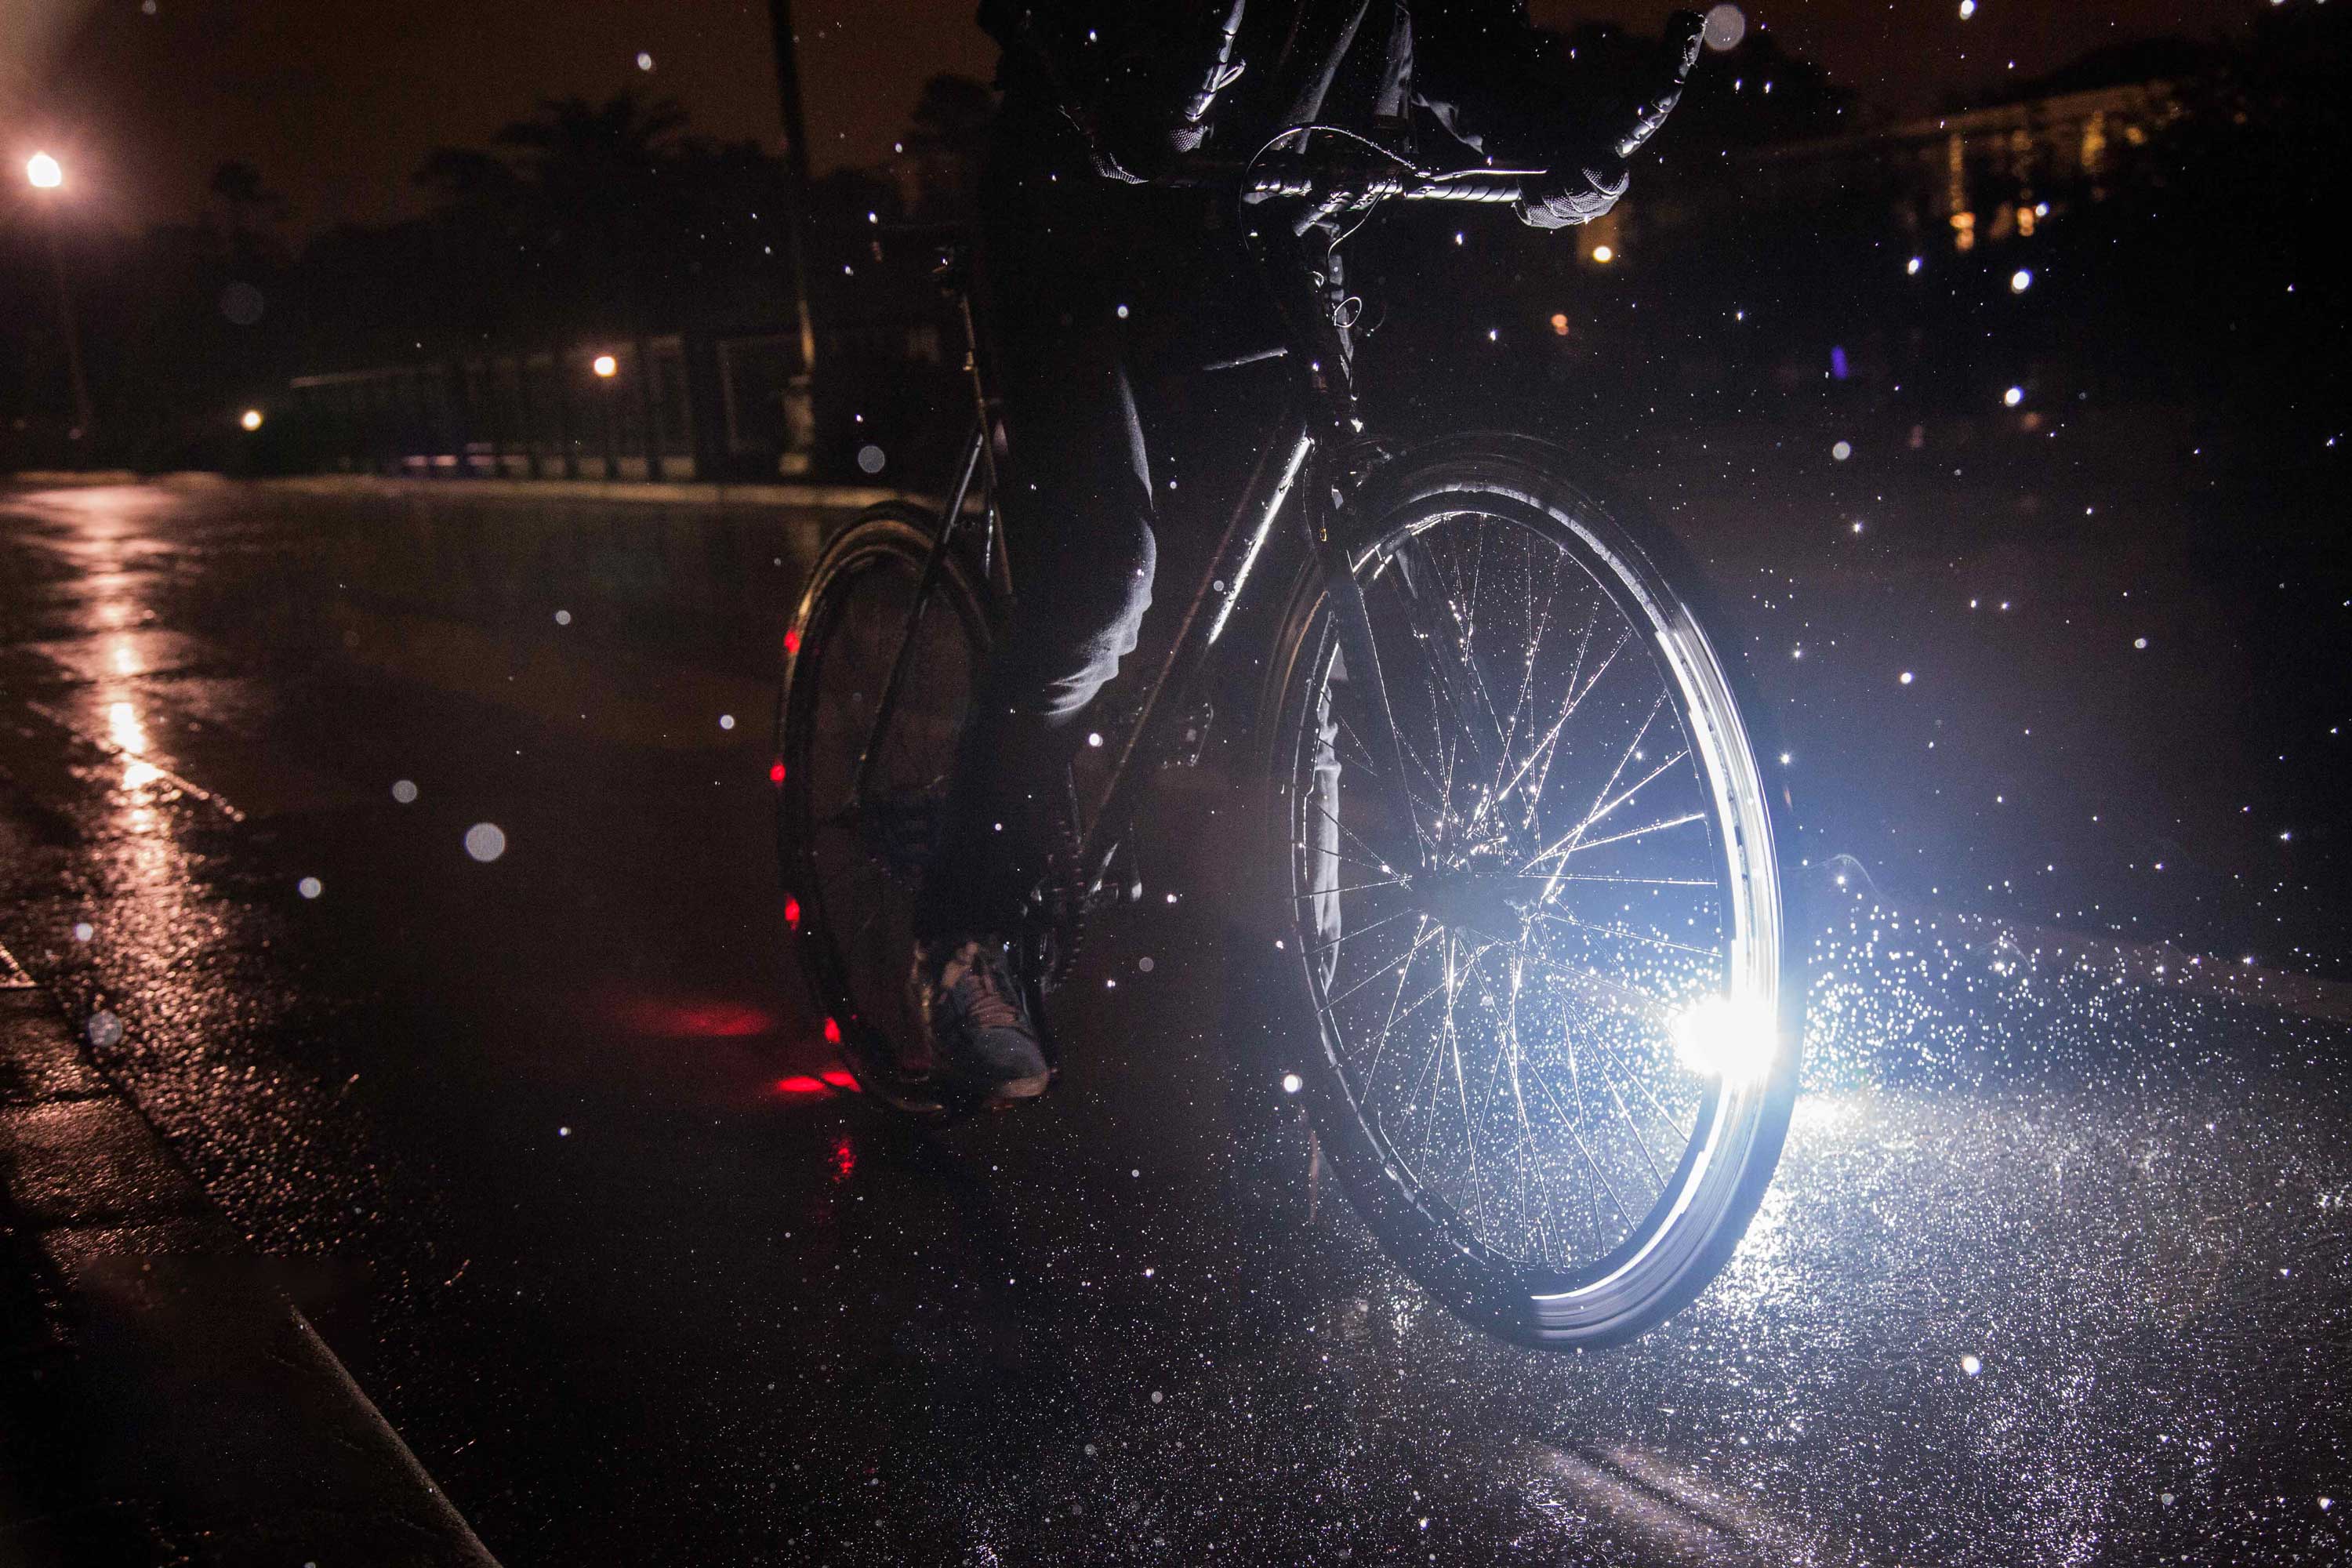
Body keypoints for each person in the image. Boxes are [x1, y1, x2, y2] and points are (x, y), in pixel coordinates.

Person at [905, 1, 1708, 1108]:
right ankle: (961, 940)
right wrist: (1144, 70)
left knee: (1310, 577)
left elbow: (1461, 39)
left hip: (1260, 223)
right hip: (1080, 214)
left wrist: (1572, 133)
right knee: (1096, 588)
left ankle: (1294, 975)